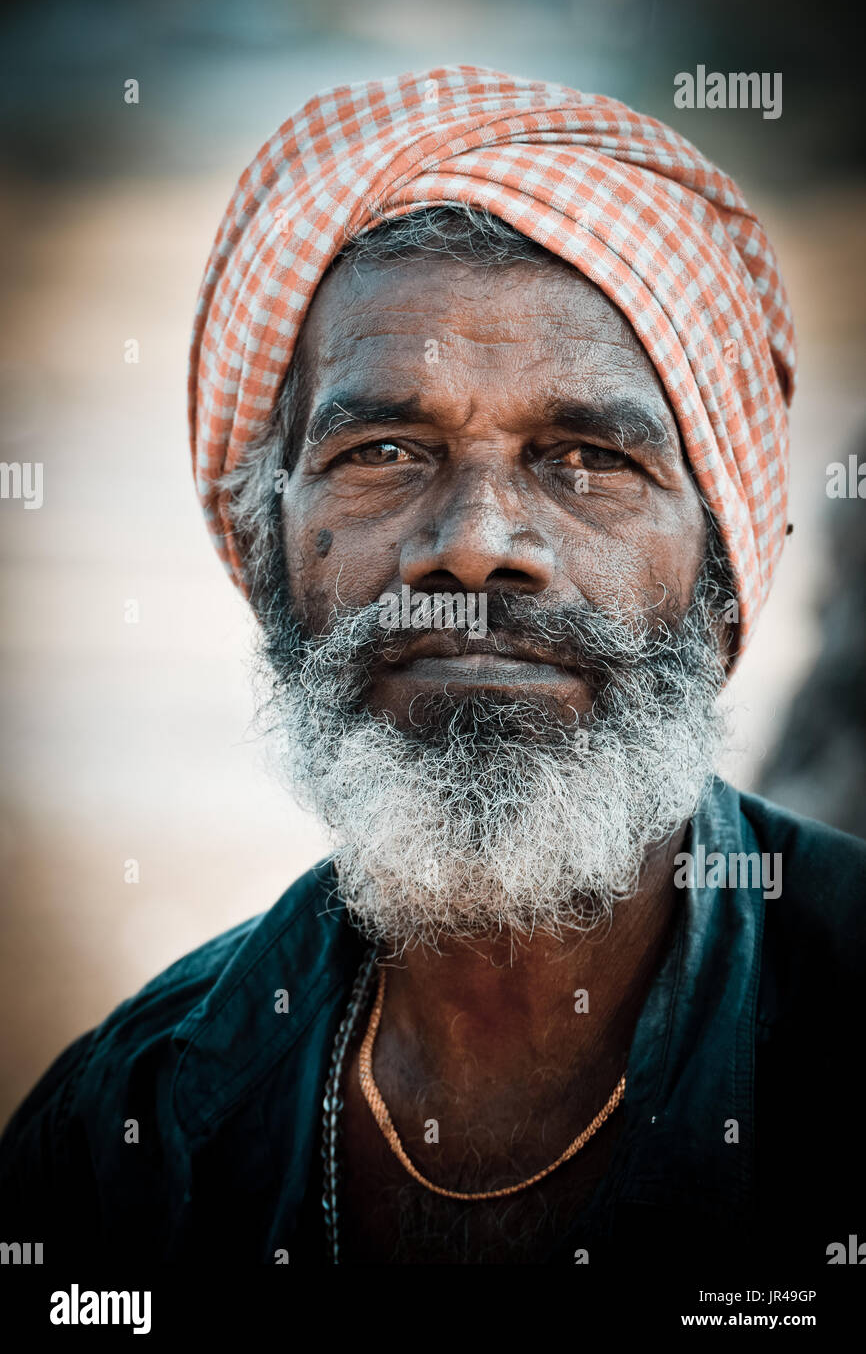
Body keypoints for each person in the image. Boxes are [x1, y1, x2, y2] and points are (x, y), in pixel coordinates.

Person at [1, 65, 863, 1270]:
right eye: (386, 447)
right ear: (266, 558)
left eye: (580, 458)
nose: (471, 543)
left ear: (724, 587)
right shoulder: (125, 1131)